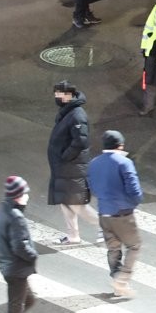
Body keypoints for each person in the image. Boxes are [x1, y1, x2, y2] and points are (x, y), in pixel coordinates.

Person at [88, 130, 143, 297]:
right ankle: (121, 279)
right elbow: (134, 190)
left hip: (104, 213)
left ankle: (115, 277)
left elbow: (93, 187)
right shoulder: (124, 163)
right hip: (123, 214)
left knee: (113, 248)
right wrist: (133, 203)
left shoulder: (94, 163)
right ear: (120, 145)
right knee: (134, 246)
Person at [48, 81, 99, 245]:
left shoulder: (77, 115)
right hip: (64, 166)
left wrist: (65, 156)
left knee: (76, 204)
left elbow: (80, 141)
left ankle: (106, 226)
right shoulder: (67, 111)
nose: (56, 97)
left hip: (72, 166)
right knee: (66, 203)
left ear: (68, 95)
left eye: (59, 94)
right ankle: (73, 235)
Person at [0, 176, 38, 313]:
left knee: (29, 300)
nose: (27, 196)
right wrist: (33, 255)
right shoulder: (16, 217)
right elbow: (19, 247)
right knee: (16, 310)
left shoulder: (1, 209)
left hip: (8, 265)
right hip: (16, 269)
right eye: (25, 193)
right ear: (17, 196)